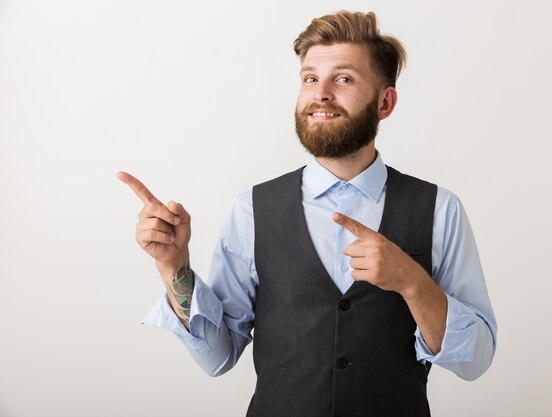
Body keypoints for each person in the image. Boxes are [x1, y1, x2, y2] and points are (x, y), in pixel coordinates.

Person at [118, 10, 496, 417]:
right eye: (310, 78)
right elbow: (217, 357)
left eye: (344, 79)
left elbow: (475, 361)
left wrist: (413, 284)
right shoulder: (251, 210)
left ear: (385, 102)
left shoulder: (440, 209)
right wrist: (174, 266)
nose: (321, 94)